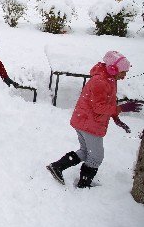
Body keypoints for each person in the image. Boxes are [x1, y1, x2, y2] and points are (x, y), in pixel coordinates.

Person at [46, 51, 141, 188]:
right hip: (89, 123)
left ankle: (57, 167)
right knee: (96, 157)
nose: (125, 76)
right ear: (113, 68)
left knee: (85, 152)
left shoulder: (109, 79)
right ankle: (83, 184)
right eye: (123, 72)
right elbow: (99, 108)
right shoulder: (101, 81)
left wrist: (116, 117)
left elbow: (107, 103)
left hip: (84, 121)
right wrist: (121, 108)